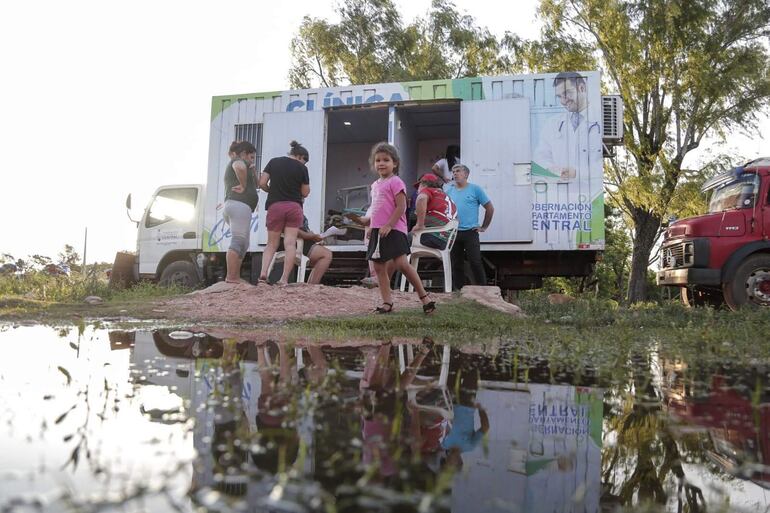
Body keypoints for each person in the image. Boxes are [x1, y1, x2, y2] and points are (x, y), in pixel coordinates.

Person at [361, 142, 436, 314]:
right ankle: (387, 302)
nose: (381, 163)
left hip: (394, 229)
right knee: (379, 268)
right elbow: (377, 209)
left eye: (386, 160)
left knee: (402, 264)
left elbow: (401, 207)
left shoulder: (396, 182)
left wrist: (389, 224)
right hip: (378, 230)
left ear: (394, 163)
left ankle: (425, 298)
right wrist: (370, 224)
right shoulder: (375, 185)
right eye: (378, 160)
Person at [532, 72, 602, 182]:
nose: (563, 101)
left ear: (582, 88)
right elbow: (540, 156)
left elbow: (602, 165)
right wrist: (549, 168)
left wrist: (576, 173)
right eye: (559, 96)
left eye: (567, 93)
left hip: (591, 190)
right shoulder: (552, 124)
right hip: (558, 189)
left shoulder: (601, 120)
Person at [258, 141, 310, 286]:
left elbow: (262, 183)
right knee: (290, 243)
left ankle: (263, 274)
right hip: (294, 207)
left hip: (275, 206)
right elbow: (305, 192)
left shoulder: (273, 162)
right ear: (300, 156)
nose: (304, 164)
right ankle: (284, 279)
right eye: (304, 161)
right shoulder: (302, 168)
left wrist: (272, 191)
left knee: (271, 244)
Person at [445, 164, 494, 289]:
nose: (455, 174)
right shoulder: (449, 191)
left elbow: (489, 208)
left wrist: (484, 227)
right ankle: (459, 291)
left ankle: (483, 289)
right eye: (453, 171)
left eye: (458, 171)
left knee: (475, 261)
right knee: (456, 264)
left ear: (466, 174)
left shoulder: (475, 189)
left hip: (470, 232)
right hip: (454, 232)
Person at [223, 141, 259, 284]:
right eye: (251, 157)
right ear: (243, 154)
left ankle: (235, 276)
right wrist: (243, 186)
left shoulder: (247, 166)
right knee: (238, 241)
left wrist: (253, 170)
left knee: (244, 244)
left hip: (240, 207)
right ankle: (231, 277)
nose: (252, 160)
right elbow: (239, 167)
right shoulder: (237, 161)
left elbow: (257, 184)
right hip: (238, 205)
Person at [272, 216, 333, 285]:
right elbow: (291, 230)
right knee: (326, 254)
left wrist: (314, 237)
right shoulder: (291, 211)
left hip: (298, 241)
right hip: (292, 242)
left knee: (322, 255)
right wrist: (311, 236)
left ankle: (311, 285)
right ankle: (312, 285)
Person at [411, 173, 457, 250]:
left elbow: (421, 198)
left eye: (418, 186)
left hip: (433, 236)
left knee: (401, 242)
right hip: (447, 241)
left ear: (424, 184)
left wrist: (419, 225)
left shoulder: (428, 190)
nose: (417, 191)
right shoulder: (447, 197)